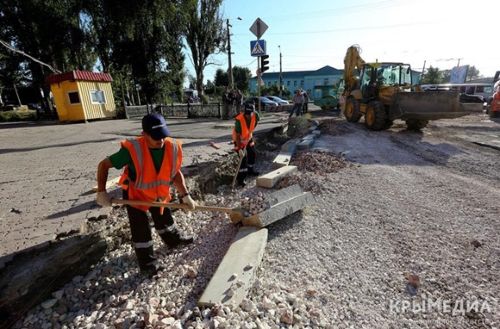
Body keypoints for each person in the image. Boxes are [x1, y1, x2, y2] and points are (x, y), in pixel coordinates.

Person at [96, 113, 197, 277]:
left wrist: (185, 195)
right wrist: (102, 192)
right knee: (141, 230)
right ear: (144, 134)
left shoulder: (171, 147)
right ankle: (147, 264)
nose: (161, 140)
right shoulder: (133, 149)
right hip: (136, 195)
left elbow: (175, 173)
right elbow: (103, 165)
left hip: (158, 193)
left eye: (163, 135)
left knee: (165, 218)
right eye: (156, 136)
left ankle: (173, 240)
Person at [232, 103, 260, 187]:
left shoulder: (256, 115)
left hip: (248, 137)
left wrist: (249, 133)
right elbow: (237, 135)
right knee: (243, 159)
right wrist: (240, 148)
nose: (247, 116)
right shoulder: (239, 120)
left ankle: (250, 170)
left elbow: (254, 124)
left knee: (252, 153)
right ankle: (241, 179)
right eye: (246, 114)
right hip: (239, 140)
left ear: (253, 112)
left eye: (249, 114)